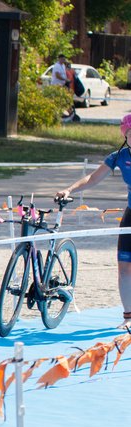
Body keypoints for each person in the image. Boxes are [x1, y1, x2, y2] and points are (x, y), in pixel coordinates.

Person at [56, 113, 131, 328]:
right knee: (124, 267)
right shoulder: (118, 156)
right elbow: (92, 178)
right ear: (125, 135)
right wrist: (69, 189)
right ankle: (128, 317)